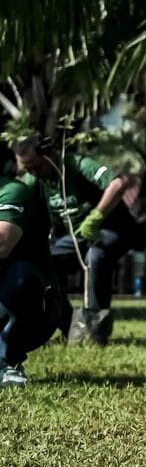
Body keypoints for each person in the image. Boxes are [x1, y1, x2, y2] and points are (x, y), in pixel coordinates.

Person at [14, 137, 142, 345]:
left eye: (36, 166)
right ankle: (69, 324)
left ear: (50, 155)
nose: (33, 172)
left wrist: (97, 215)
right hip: (75, 236)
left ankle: (94, 329)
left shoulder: (78, 164)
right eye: (28, 169)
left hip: (111, 230)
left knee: (96, 256)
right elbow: (17, 200)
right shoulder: (34, 180)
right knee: (39, 264)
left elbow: (118, 184)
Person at [0, 143, 67, 387]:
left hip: (32, 304)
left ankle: (6, 362)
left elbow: (2, 243)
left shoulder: (12, 190)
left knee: (21, 276)